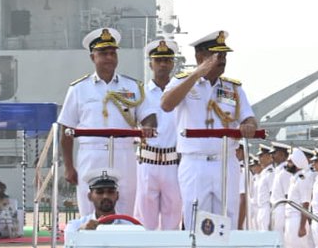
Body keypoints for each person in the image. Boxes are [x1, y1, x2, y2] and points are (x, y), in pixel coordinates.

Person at [159, 31, 257, 227]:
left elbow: (249, 117)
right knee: (195, 219)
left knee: (227, 219)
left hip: (226, 161)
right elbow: (166, 104)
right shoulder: (183, 82)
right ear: (200, 57)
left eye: (224, 56)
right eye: (216, 55)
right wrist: (196, 75)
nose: (222, 60)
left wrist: (249, 125)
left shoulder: (233, 88)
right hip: (195, 163)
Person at [58, 27, 143, 218]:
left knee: (125, 206)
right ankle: (90, 246)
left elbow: (146, 117)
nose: (109, 58)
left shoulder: (132, 87)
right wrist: (69, 166)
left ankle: (123, 247)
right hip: (92, 153)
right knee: (90, 208)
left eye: (113, 53)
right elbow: (66, 130)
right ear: (92, 57)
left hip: (124, 153)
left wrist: (148, 125)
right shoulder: (79, 89)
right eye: (103, 53)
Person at [136, 38, 183, 230]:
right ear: (150, 63)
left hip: (174, 162)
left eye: (167, 60)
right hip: (148, 161)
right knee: (145, 222)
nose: (163, 64)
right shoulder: (140, 93)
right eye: (158, 60)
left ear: (173, 63)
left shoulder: (182, 93)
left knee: (173, 219)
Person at [65, 169, 138, 233]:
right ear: (90, 196)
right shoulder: (76, 226)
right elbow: (70, 238)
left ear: (117, 195)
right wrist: (81, 231)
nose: (105, 196)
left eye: (110, 192)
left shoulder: (130, 227)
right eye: (100, 192)